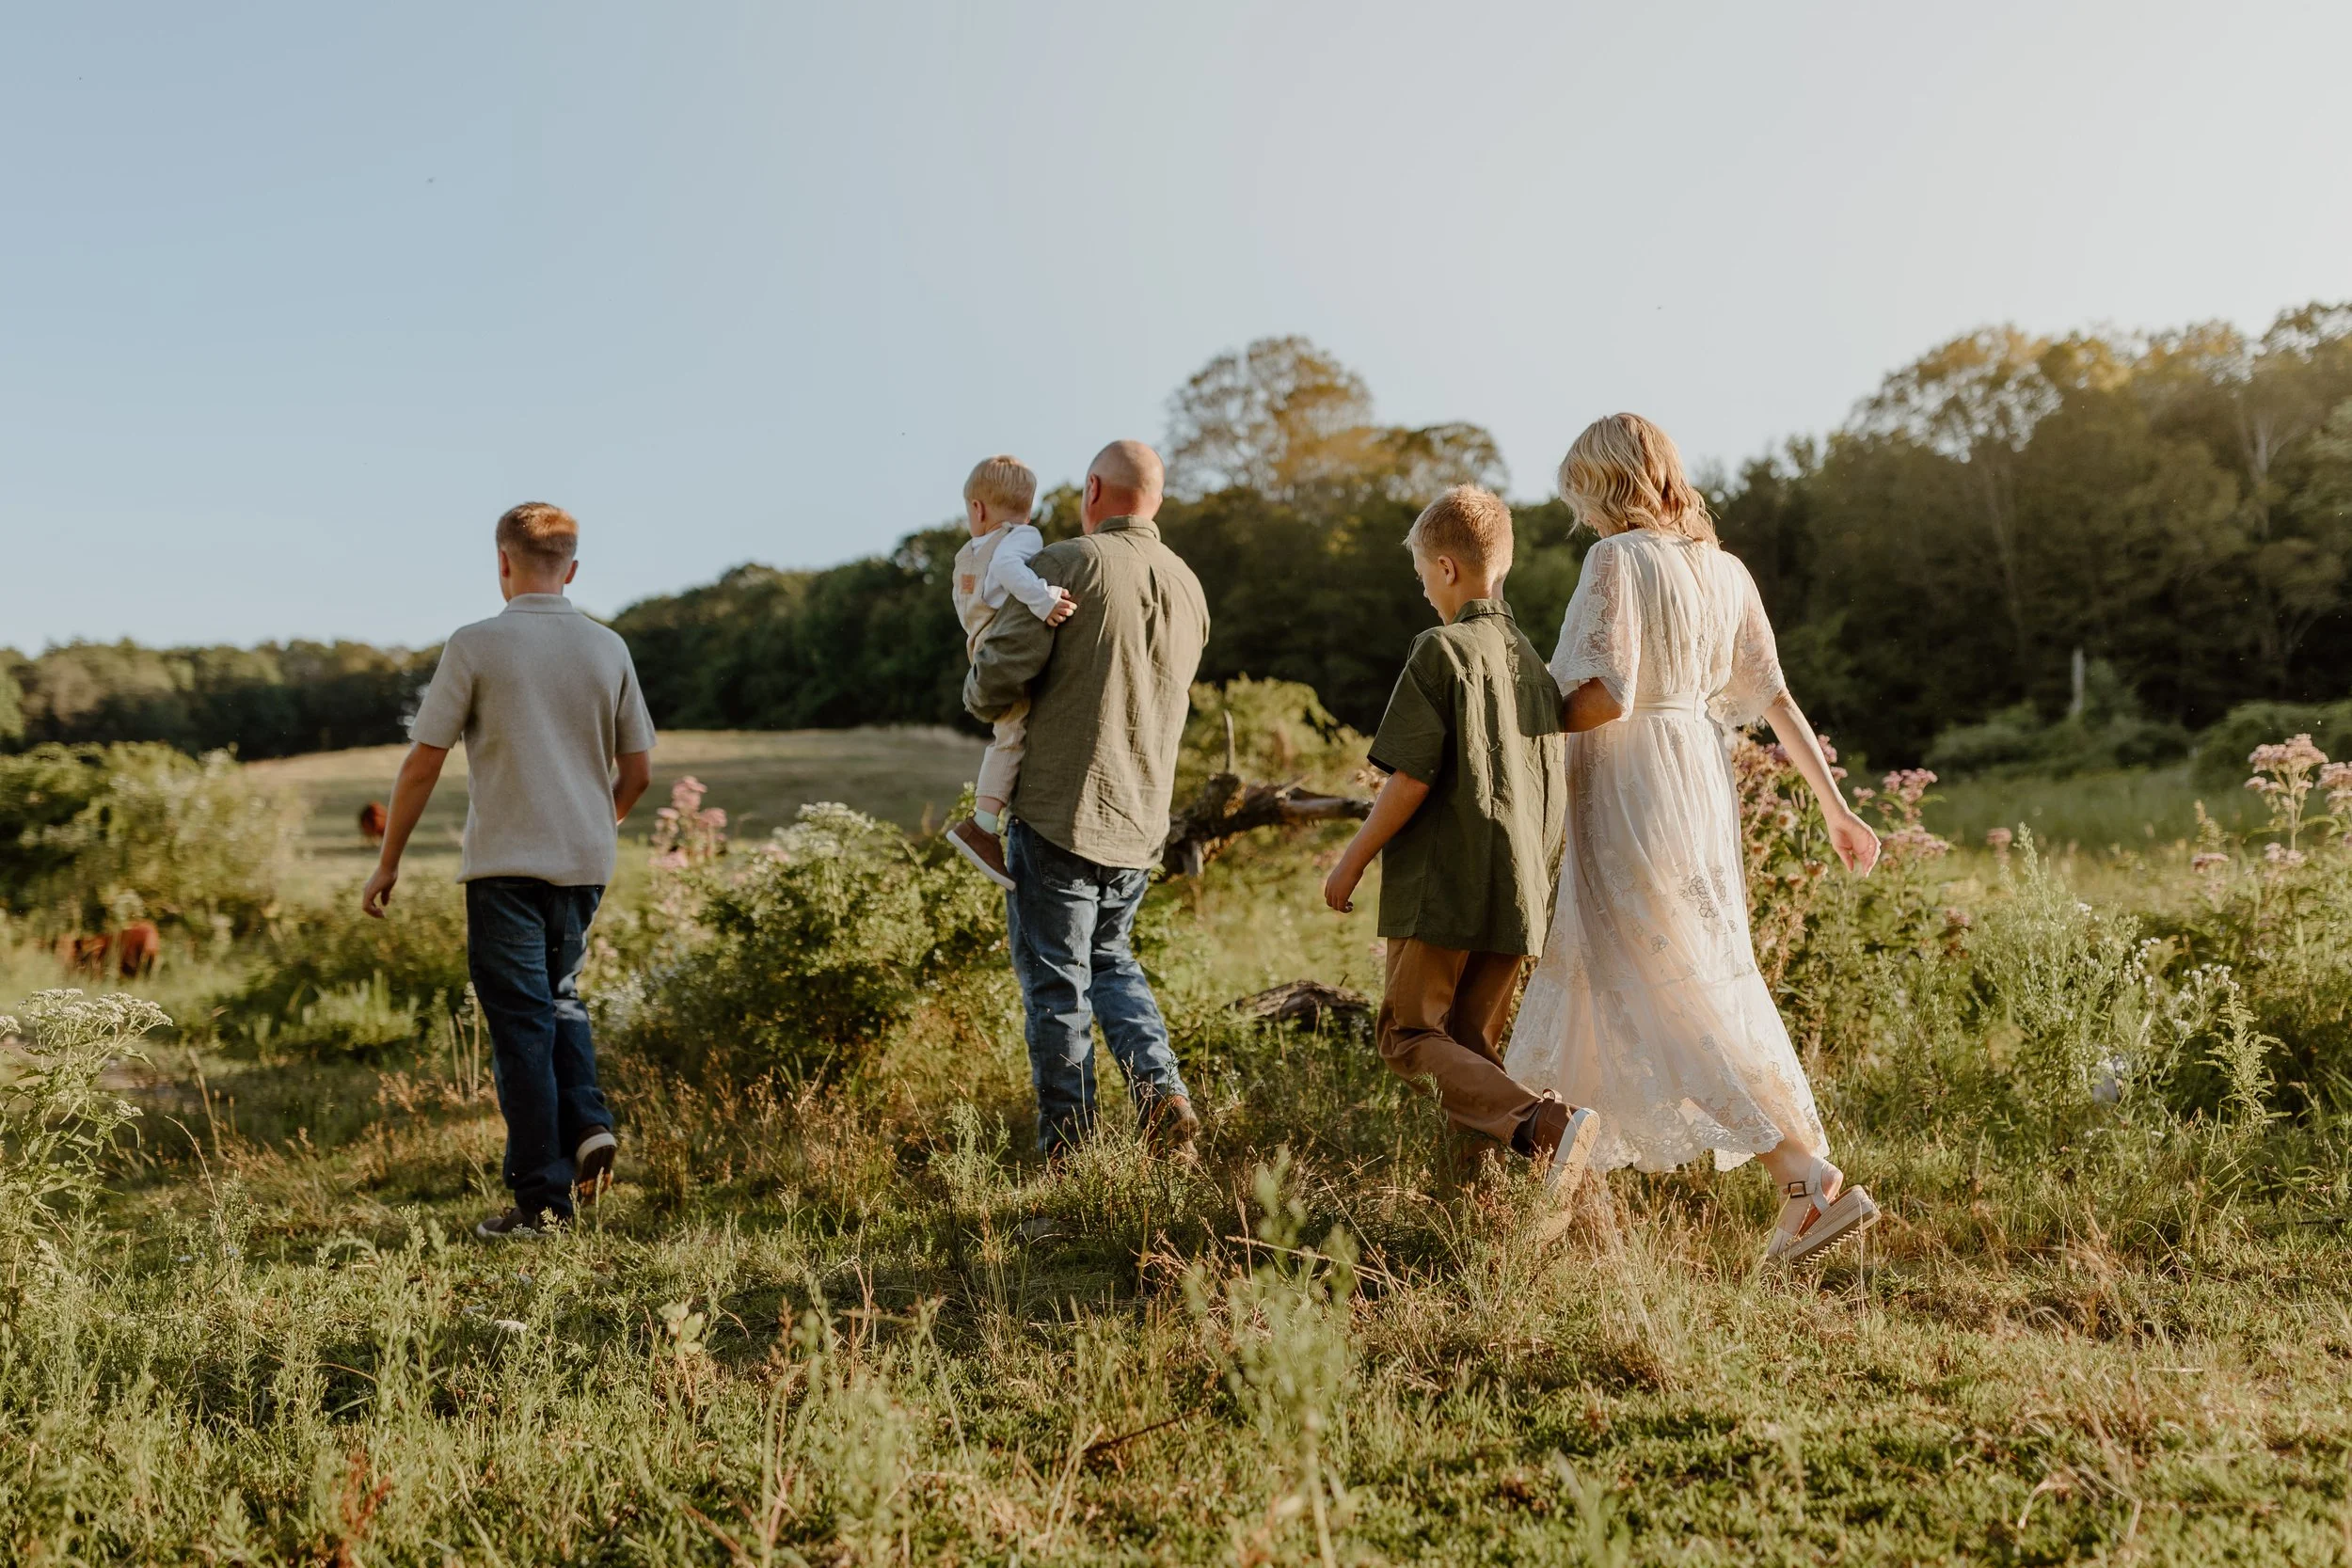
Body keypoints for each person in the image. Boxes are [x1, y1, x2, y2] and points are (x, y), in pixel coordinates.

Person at [1504, 414, 1882, 1264]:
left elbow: (1609, 691)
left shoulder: (1616, 560)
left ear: (1605, 486)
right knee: (1675, 967)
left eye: (1583, 501)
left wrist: (1520, 720)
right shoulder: (1727, 570)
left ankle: (1801, 1171)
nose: (1584, 522)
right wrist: (1836, 809)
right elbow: (1776, 698)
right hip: (1697, 780)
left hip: (1632, 779)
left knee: (1656, 976)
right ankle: (1556, 1193)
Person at [361, 501, 656, 1241]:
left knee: (521, 1025)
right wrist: (595, 823)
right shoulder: (608, 647)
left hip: (504, 869)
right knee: (560, 997)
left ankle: (541, 1204)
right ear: (574, 569)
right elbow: (640, 770)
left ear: (502, 564)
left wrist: (387, 860)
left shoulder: (475, 645)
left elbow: (424, 761)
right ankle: (588, 1121)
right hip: (584, 865)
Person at [1321, 485, 1599, 1191]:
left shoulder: (1439, 650)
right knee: (1470, 1048)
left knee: (1409, 1036)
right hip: (1520, 893)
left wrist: (1350, 864)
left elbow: (1411, 778)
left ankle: (1548, 1125)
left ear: (1446, 568)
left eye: (1422, 576)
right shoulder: (1535, 666)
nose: (1423, 591)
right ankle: (1468, 1202)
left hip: (1444, 885)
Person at [964, 440, 1207, 1158]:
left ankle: (1070, 1154)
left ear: (1094, 489)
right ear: (1154, 498)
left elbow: (993, 684)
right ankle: (1163, 1097)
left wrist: (975, 674)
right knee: (1111, 961)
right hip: (1139, 820)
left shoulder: (1067, 563)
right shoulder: (1190, 586)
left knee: (1055, 985)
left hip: (1060, 810)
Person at [944, 454, 1078, 888]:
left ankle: (983, 822)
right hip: (1005, 643)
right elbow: (1007, 572)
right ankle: (982, 825)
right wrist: (1044, 600)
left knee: (1006, 731)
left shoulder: (968, 552)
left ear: (977, 509)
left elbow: (981, 596)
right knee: (1013, 736)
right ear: (1029, 508)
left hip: (979, 645)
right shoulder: (1023, 536)